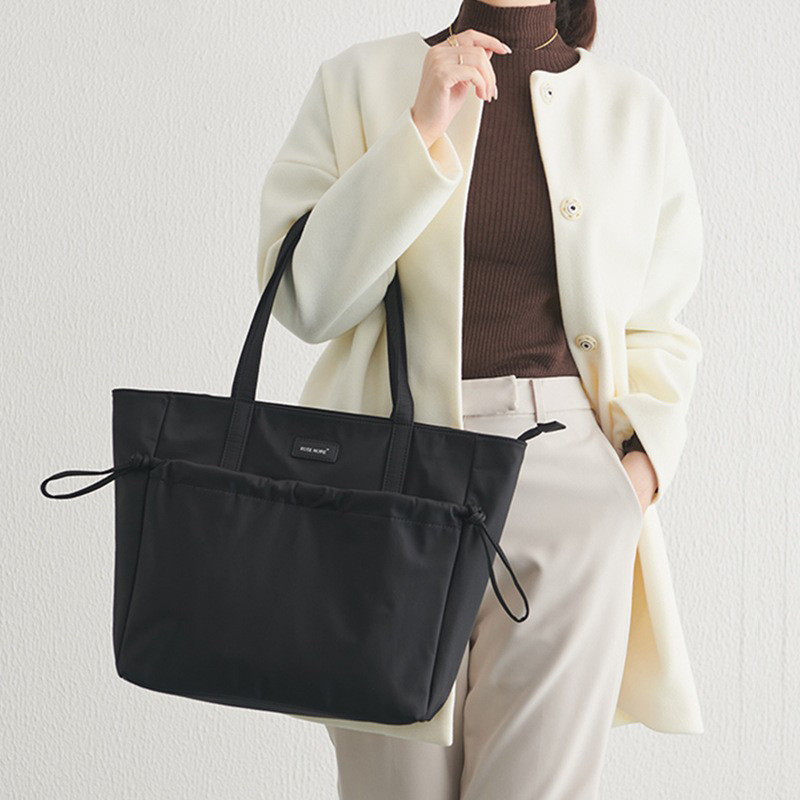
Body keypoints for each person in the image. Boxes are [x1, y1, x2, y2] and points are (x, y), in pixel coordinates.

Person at [256, 0, 705, 796]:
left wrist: (633, 478)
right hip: (388, 484)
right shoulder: (359, 82)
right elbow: (305, 301)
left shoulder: (635, 111)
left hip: (570, 488)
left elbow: (659, 327)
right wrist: (418, 132)